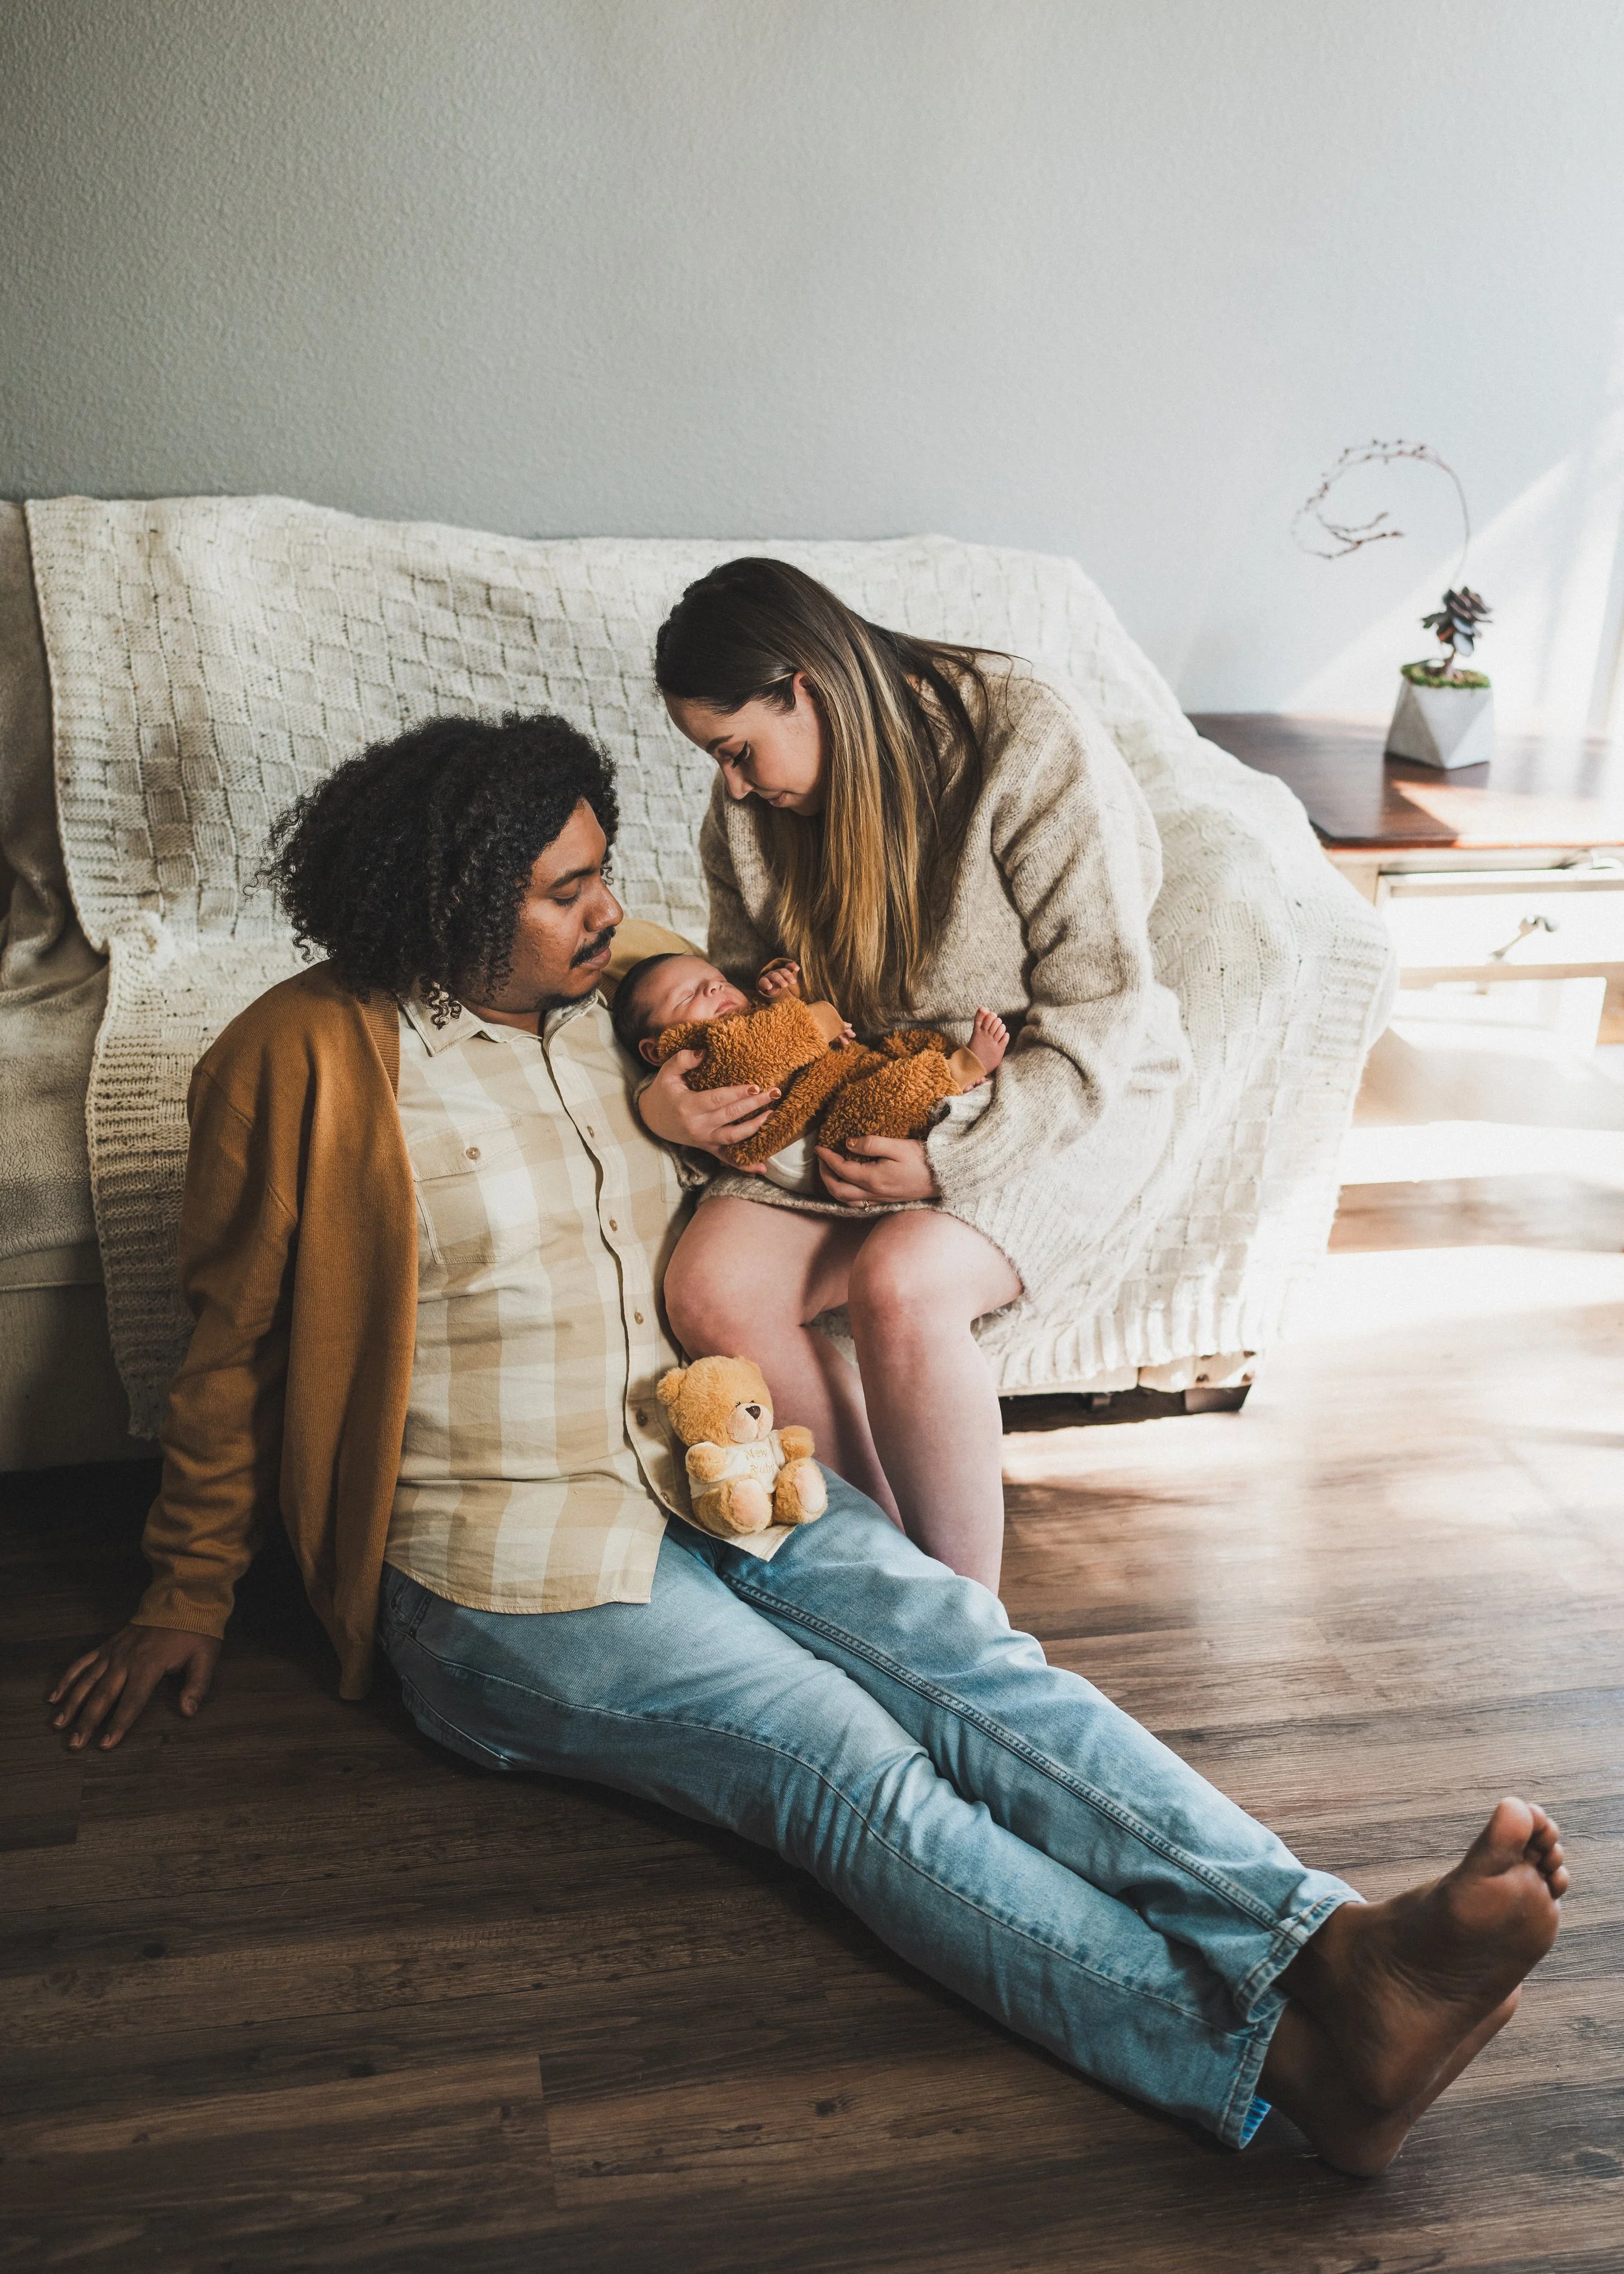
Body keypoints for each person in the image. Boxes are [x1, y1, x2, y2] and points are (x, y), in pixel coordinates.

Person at [49, 710, 1567, 2179]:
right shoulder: (293, 1063)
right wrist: (183, 1594)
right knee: (852, 1763)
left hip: (723, 1471)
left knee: (971, 1659)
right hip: (506, 1572)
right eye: (568, 887)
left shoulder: (625, 1006)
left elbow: (810, 1029)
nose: (613, 909)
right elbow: (233, 1348)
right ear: (448, 900)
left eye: (606, 871)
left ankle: (1332, 1944)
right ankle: (1292, 2070)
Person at [641, 557, 1190, 1592]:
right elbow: (758, 1002)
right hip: (864, 1090)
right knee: (710, 1286)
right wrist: (680, 1098)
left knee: (904, 1280)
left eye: (737, 750)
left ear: (801, 686)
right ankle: (892, 1592)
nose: (734, 785)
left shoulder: (1023, 734)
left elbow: (1100, 1004)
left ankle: (971, 1630)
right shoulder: (753, 816)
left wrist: (953, 1157)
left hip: (1051, 1084)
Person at [611, 945, 1008, 1195]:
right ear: (655, 1050)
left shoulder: (745, 1020)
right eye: (687, 996)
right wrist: (816, 1019)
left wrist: (782, 991)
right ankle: (960, 1070)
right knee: (876, 1099)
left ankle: (947, 1085)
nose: (715, 990)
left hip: (828, 1096)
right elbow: (779, 1041)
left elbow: (785, 1033)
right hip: (824, 1150)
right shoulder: (701, 1059)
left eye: (718, 981)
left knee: (899, 1052)